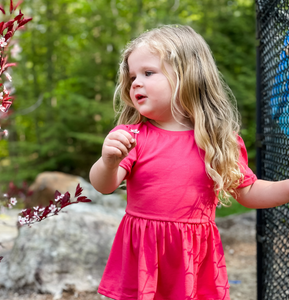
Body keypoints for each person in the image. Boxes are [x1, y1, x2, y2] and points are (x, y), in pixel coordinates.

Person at [89, 25, 288, 300]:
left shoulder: (218, 140)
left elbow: (249, 192)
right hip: (145, 253)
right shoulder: (131, 136)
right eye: (132, 75)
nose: (135, 82)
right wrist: (108, 162)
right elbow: (104, 185)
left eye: (148, 73)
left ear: (188, 75)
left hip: (193, 257)